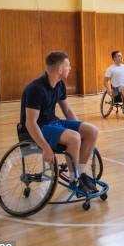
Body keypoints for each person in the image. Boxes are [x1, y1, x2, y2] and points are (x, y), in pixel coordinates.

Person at [20, 51, 99, 194]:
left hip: (54, 122)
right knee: (74, 138)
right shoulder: (36, 89)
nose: (70, 68)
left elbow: (67, 110)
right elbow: (30, 123)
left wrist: (82, 133)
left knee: (91, 130)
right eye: (68, 65)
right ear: (60, 69)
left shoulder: (60, 84)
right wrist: (46, 148)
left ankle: (80, 174)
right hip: (39, 127)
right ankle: (73, 178)